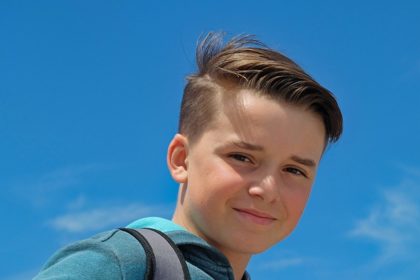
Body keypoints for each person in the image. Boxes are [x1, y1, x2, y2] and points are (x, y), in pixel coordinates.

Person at [34, 32, 343, 280]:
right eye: (242, 157)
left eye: (294, 170)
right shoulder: (118, 264)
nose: (267, 189)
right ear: (181, 159)